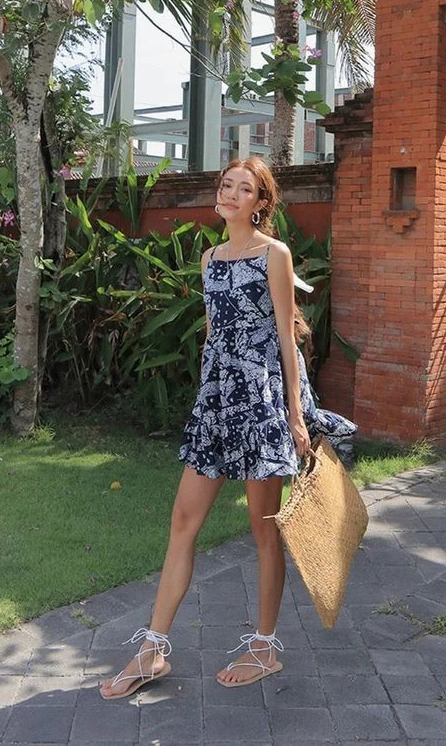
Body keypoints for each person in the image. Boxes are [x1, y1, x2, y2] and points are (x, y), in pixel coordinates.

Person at [100, 157, 355, 700]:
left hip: (262, 404)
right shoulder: (211, 259)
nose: (231, 193)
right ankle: (152, 650)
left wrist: (294, 414)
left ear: (261, 203)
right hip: (217, 404)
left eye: (245, 188)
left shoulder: (274, 255)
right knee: (181, 524)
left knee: (264, 531)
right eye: (226, 185)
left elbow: (287, 338)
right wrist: (207, 395)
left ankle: (264, 648)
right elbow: (214, 334)